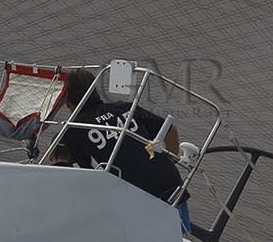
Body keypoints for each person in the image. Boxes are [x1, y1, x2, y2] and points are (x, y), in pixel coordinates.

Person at [51, 68, 190, 231]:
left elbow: (86, 175)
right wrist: (171, 159)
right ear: (95, 91)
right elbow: (171, 130)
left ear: (66, 101)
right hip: (170, 182)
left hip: (138, 198)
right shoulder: (125, 108)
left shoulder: (74, 130)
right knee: (179, 240)